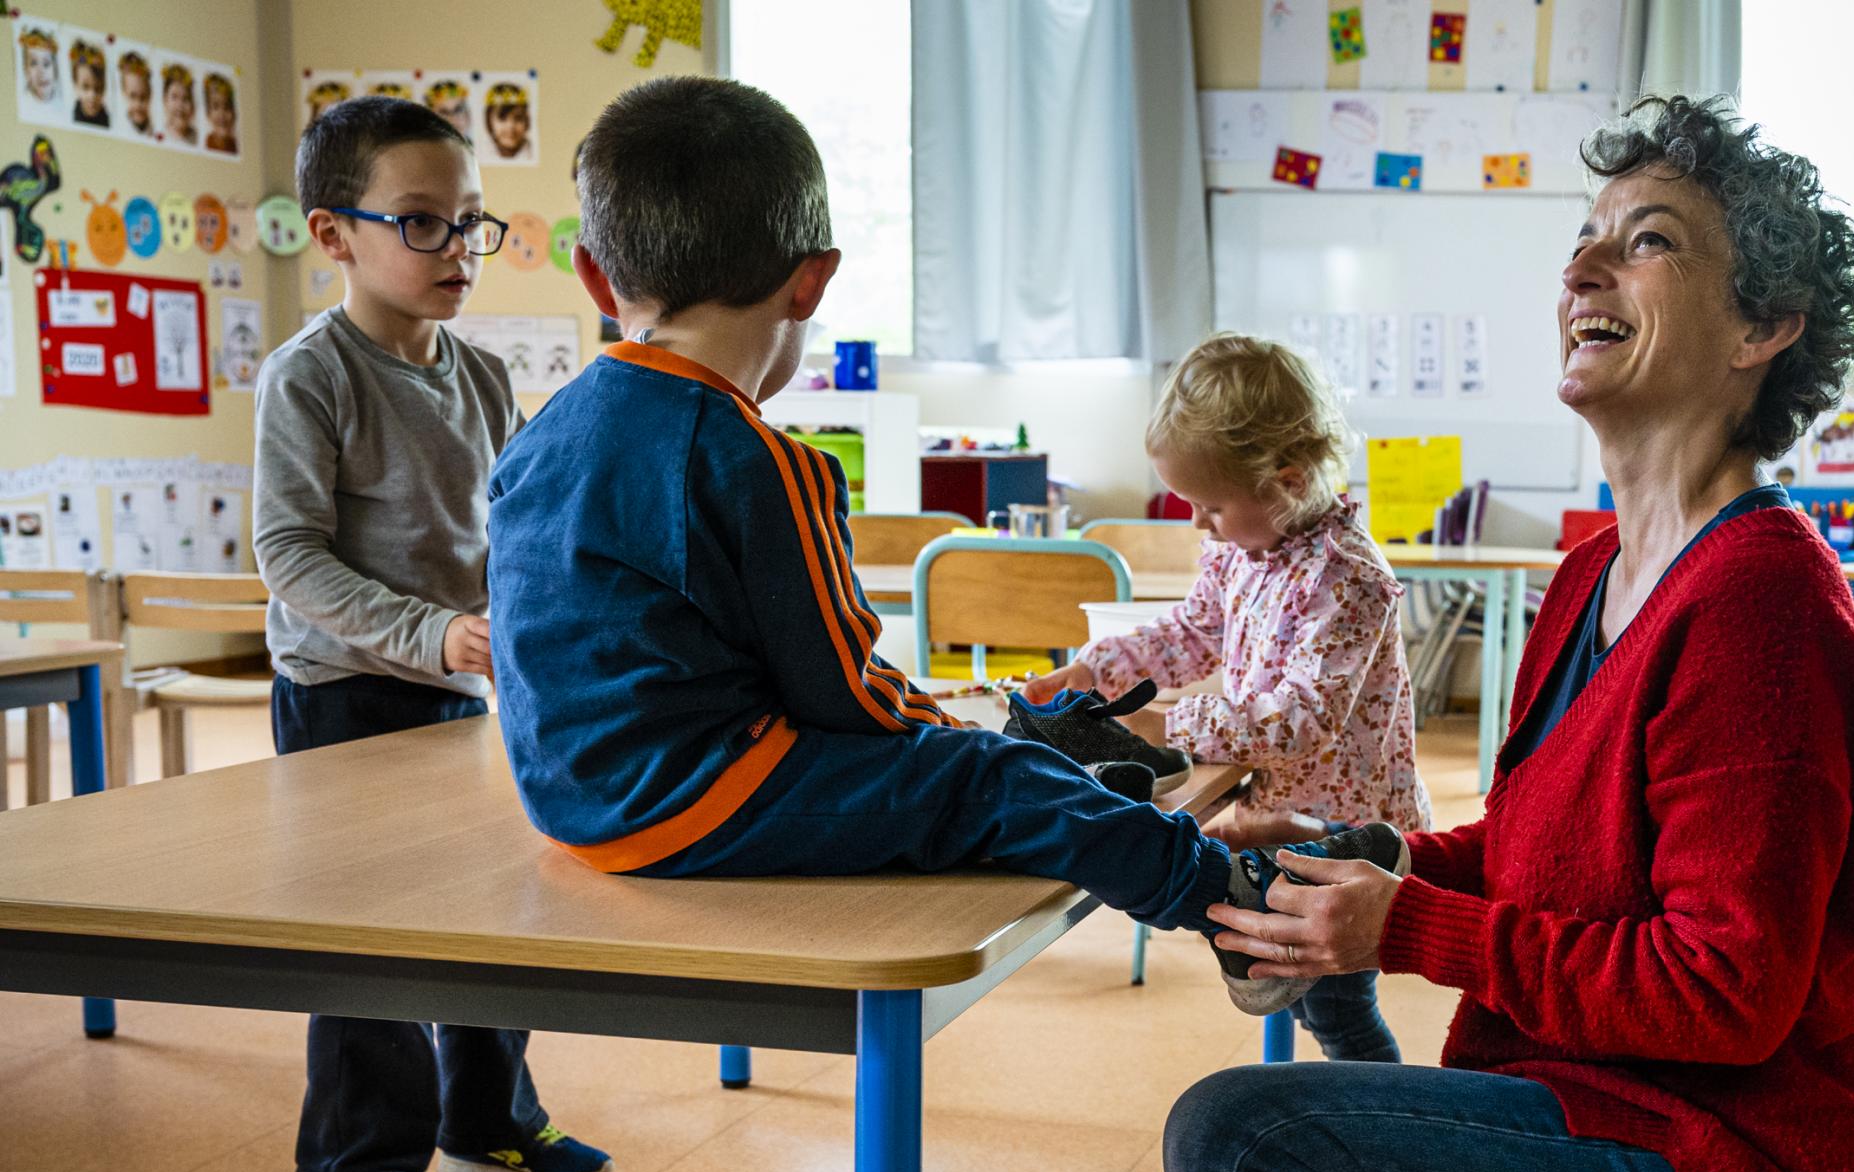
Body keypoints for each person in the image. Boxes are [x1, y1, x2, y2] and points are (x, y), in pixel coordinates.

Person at [1170, 94, 1854, 1172]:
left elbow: (1722, 993)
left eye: (1650, 244)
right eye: (1586, 239)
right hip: (1593, 1113)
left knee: (1233, 1149)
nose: (1591, 266)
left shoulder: (1761, 611)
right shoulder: (1596, 570)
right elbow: (1539, 858)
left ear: (1763, 326)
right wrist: (1366, 863)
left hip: (1740, 1157)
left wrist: (1413, 927)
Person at [482, 77, 1386, 1007]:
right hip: (693, 804)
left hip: (568, 801)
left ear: (595, 276)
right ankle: (1239, 907)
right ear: (812, 280)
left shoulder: (540, 435)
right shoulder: (756, 459)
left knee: (994, 765)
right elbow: (842, 696)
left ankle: (1080, 792)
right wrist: (965, 737)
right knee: (983, 776)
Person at [254, 95, 602, 1172]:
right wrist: (432, 632)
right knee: (372, 937)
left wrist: (535, 615)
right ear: (333, 233)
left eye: (470, 222)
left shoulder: (483, 374)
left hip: (465, 694)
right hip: (347, 691)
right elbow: (288, 553)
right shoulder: (311, 378)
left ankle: (488, 1120)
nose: (458, 249)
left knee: (497, 914)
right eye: (422, 223)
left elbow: (507, 530)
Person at [1019, 333, 1430, 1049]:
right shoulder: (1240, 550)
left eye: (1208, 505)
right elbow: (1191, 632)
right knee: (1297, 995)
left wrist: (1171, 728)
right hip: (1276, 813)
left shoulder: (1346, 578)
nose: (1196, 523)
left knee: (1336, 1008)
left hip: (1344, 835)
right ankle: (1338, 1118)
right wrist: (1094, 669)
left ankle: (1382, 1126)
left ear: (1291, 479)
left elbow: (1304, 720)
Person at [483, 83, 531, 162]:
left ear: (527, 121)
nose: (510, 126)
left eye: (518, 118)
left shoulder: (531, 152)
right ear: (489, 121)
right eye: (502, 118)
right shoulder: (481, 152)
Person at [66, 38, 108, 128]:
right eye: (85, 87)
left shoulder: (107, 120)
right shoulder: (71, 119)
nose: (92, 95)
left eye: (98, 89)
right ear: (75, 85)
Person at [158, 60, 195, 147]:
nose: (180, 105)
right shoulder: (161, 134)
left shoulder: (196, 137)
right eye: (174, 97)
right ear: (165, 100)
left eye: (186, 98)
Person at [204, 71, 239, 156]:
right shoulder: (206, 144)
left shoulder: (236, 146)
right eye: (216, 107)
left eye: (227, 107)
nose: (222, 114)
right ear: (208, 113)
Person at [119, 52, 153, 137]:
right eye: (132, 96)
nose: (138, 104)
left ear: (150, 94)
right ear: (124, 94)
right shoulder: (121, 129)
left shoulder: (153, 130)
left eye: (143, 97)